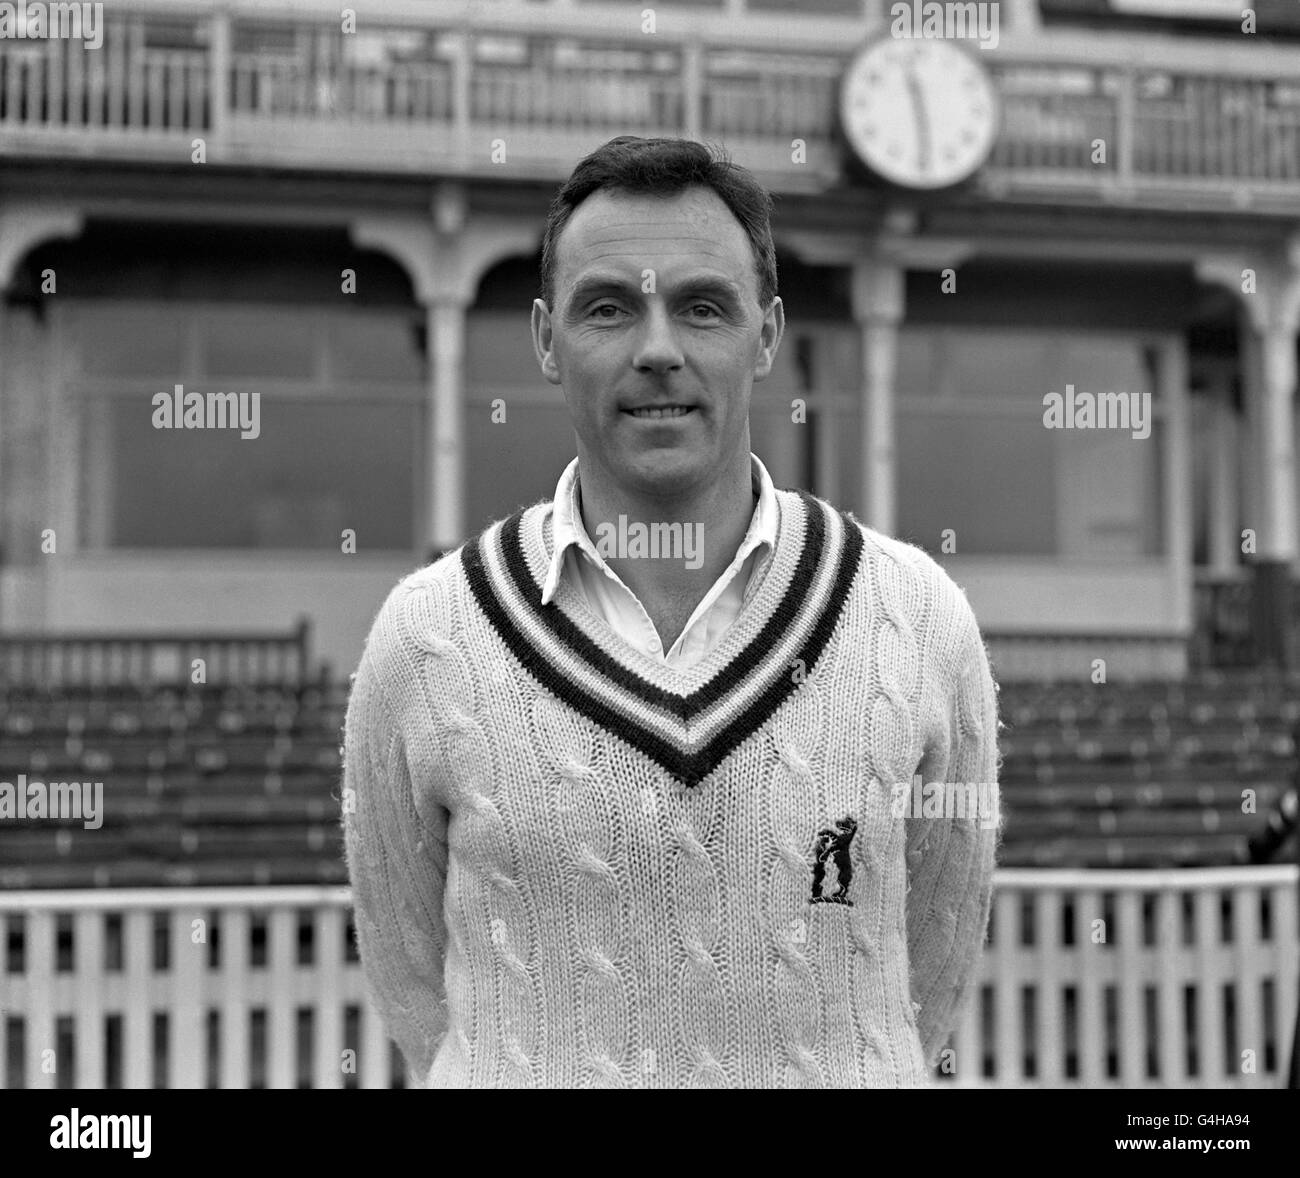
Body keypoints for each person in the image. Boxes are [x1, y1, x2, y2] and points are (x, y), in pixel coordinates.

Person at [342, 135, 1002, 1088]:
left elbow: (934, 960)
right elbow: (415, 990)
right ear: (544, 338)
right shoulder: (427, 636)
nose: (658, 351)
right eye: (608, 309)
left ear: (767, 334)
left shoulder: (917, 618)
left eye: (702, 307)